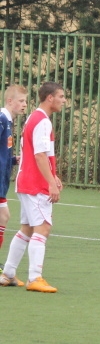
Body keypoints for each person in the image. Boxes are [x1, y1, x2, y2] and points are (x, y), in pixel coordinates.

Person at [1, 81, 66, 292]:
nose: (64, 101)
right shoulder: (42, 121)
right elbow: (39, 155)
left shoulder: (35, 118)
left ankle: (8, 273)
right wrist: (50, 183)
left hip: (26, 181)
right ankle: (35, 277)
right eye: (61, 97)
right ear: (50, 98)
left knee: (27, 229)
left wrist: (54, 176)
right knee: (43, 227)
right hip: (34, 184)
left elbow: (40, 154)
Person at [0, 84, 29, 275]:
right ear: (10, 101)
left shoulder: (8, 121)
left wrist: (12, 160)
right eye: (21, 101)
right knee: (4, 216)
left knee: (3, 217)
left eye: (26, 101)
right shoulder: (2, 119)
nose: (25, 105)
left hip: (2, 180)